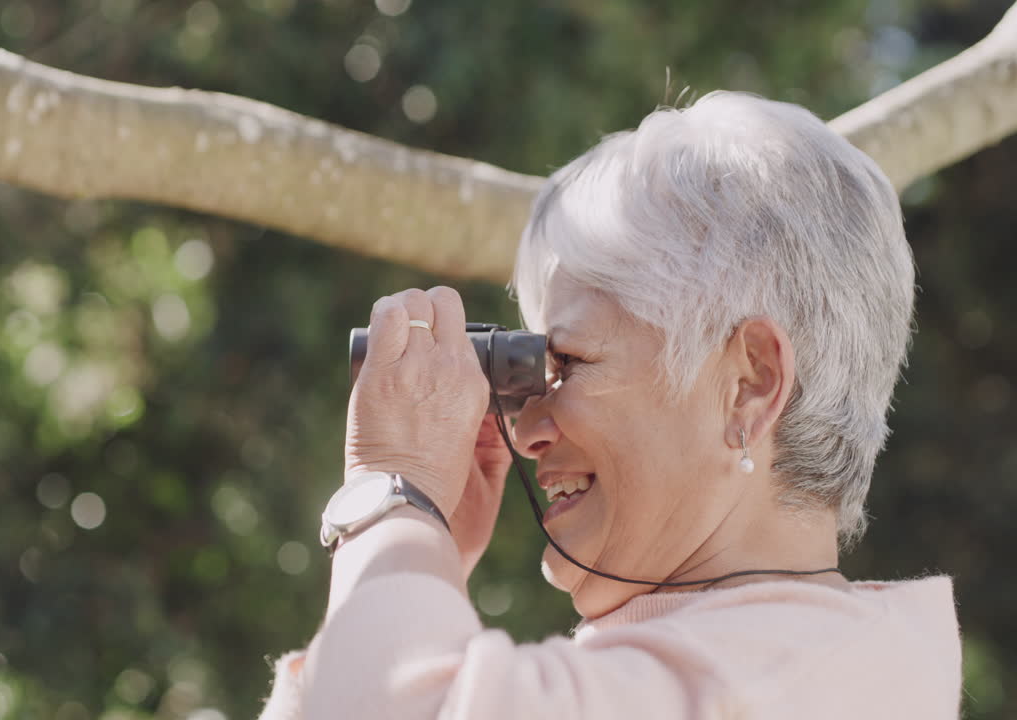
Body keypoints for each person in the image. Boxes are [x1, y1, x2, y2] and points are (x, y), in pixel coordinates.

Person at [259, 91, 961, 719]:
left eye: (567, 364)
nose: (525, 429)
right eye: (529, 374)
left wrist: (395, 494)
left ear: (749, 382)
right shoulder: (799, 662)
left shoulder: (776, 683)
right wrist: (425, 554)